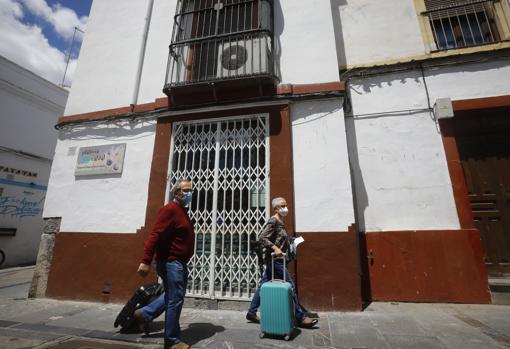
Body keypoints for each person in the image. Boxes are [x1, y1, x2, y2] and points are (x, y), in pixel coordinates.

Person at [137, 179, 195, 349]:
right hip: (171, 262)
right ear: (176, 192)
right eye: (186, 190)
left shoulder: (181, 210)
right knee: (175, 299)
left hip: (178, 262)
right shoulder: (169, 209)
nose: (189, 193)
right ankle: (172, 340)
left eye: (191, 190)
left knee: (172, 296)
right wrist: (146, 260)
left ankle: (144, 314)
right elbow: (155, 234)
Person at [246, 197, 318, 328]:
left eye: (286, 205)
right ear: (275, 208)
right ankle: (300, 317)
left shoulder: (280, 221)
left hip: (279, 259)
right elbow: (262, 237)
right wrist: (275, 248)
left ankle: (251, 312)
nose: (285, 208)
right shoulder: (273, 221)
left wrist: (291, 241)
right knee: (291, 285)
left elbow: (279, 238)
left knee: (263, 284)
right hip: (275, 259)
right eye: (282, 206)